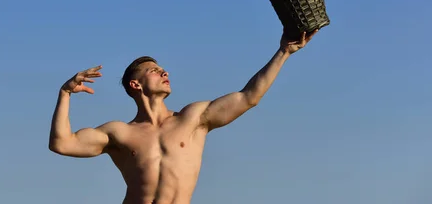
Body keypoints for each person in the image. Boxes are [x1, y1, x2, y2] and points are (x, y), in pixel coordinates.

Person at [48, 29, 319, 204]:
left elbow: (249, 97)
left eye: (164, 69)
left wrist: (284, 51)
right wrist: (65, 93)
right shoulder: (119, 133)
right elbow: (61, 143)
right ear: (136, 85)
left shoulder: (193, 118)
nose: (164, 73)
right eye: (154, 70)